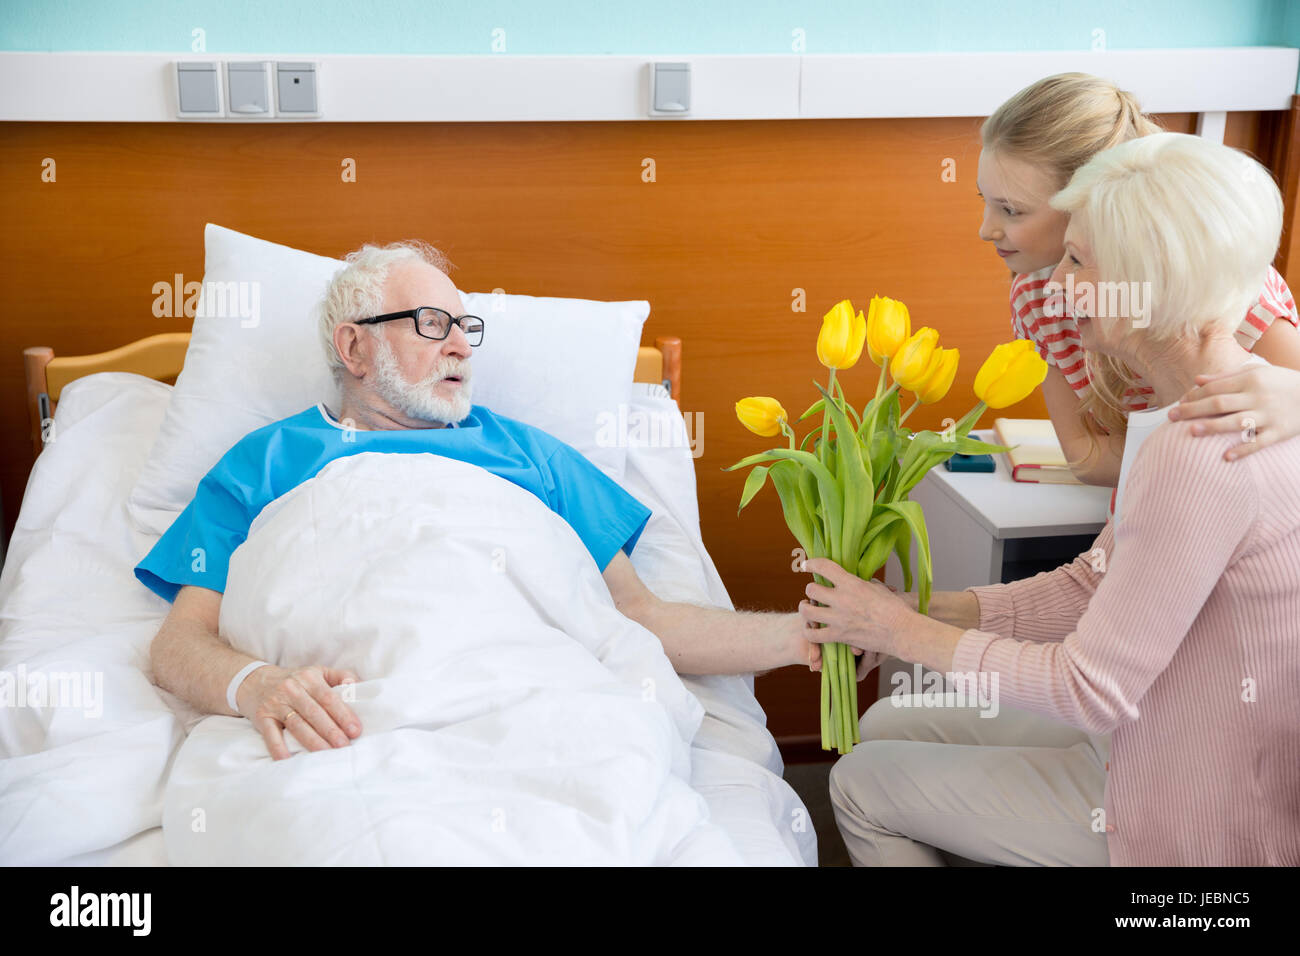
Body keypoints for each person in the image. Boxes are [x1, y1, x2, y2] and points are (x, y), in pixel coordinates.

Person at [803, 132, 1300, 866]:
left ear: (1148, 280)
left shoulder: (1200, 453)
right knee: (885, 725)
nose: (1056, 284)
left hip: (1185, 810)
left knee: (860, 783)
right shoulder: (1209, 408)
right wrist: (906, 615)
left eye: (1077, 260)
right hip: (1153, 728)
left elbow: (1087, 689)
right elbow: (1090, 584)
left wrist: (904, 636)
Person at [137, 241, 819, 760]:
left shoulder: (536, 457)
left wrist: (802, 634)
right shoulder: (264, 461)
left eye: (467, 327)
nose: (462, 344)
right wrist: (256, 686)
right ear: (355, 346)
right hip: (341, 724)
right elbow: (178, 644)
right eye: (433, 324)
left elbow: (640, 617)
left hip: (527, 704)